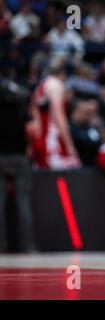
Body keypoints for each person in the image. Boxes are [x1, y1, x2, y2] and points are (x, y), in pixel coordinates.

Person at [0, 79, 37, 252]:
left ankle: (2, 246)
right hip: (20, 158)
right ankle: (28, 247)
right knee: (24, 204)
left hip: (1, 157)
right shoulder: (21, 109)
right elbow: (34, 130)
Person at [29, 59, 81, 170]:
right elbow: (59, 116)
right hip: (51, 140)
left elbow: (33, 116)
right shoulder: (56, 85)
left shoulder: (42, 85)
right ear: (63, 74)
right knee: (69, 170)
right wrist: (70, 146)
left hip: (40, 138)